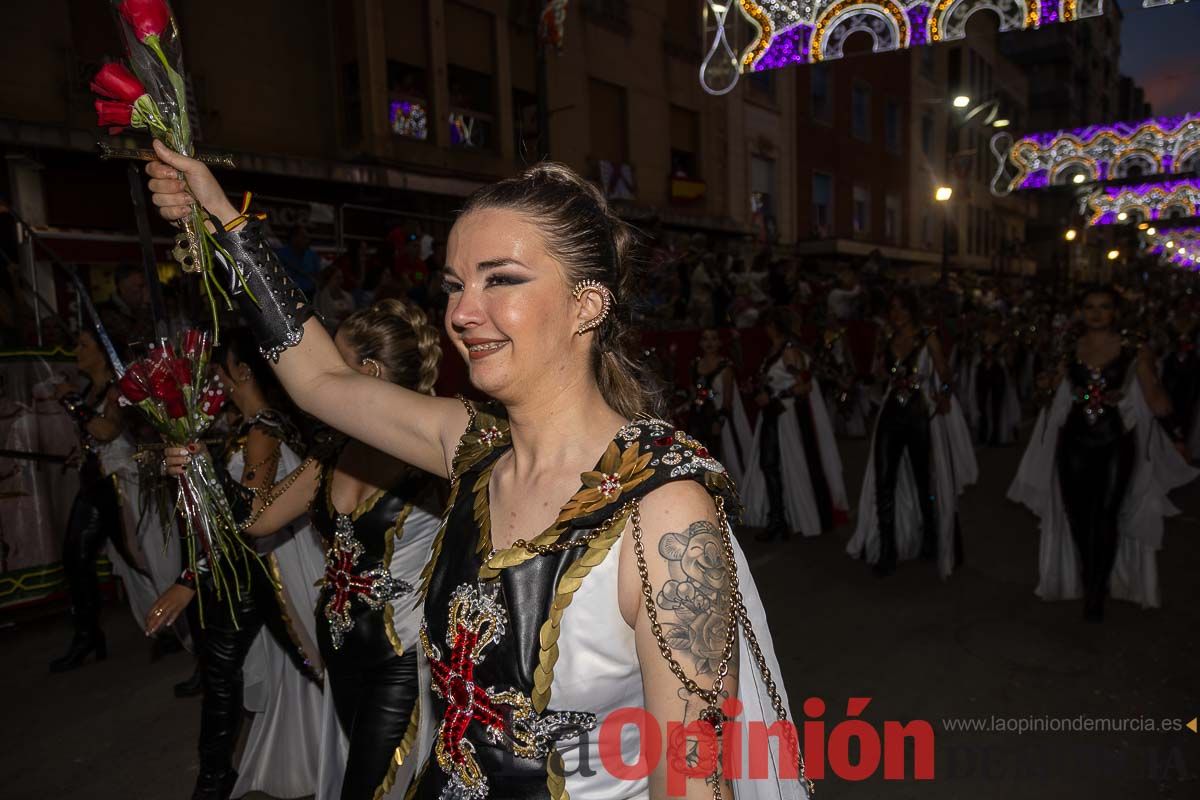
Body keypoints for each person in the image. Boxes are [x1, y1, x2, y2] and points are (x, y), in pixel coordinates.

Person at [146, 144, 811, 800]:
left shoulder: (663, 509)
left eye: (502, 279)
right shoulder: (471, 446)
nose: (462, 313)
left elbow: (693, 781)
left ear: (588, 306)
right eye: (456, 285)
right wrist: (220, 221)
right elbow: (319, 380)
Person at [211, 300, 445, 800]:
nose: (315, 380)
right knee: (355, 774)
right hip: (338, 652)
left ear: (369, 373)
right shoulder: (332, 451)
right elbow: (257, 520)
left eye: (331, 365)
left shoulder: (434, 455)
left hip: (400, 656)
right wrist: (198, 470)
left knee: (372, 787)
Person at [147, 331, 325, 800]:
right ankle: (214, 777)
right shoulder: (251, 426)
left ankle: (213, 780)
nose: (215, 378)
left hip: (263, 569)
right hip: (250, 565)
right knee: (235, 669)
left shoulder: (262, 433)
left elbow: (250, 519)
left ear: (242, 371)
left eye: (220, 367)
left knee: (237, 670)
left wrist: (190, 579)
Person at [1008, 286, 1198, 620]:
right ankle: (1090, 574)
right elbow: (1050, 390)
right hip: (1074, 442)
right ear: (1080, 311)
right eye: (1090, 307)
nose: (1096, 313)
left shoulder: (1134, 349)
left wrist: (1178, 438)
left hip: (1115, 442)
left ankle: (1096, 589)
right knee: (1079, 516)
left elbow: (1154, 395)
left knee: (1107, 514)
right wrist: (1043, 385)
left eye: (1104, 307)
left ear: (1115, 312)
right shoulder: (1068, 348)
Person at [48, 329, 164, 671]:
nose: (76, 350)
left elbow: (107, 431)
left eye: (83, 345)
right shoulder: (92, 390)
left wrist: (72, 401)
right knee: (77, 556)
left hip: (118, 484)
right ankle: (87, 635)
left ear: (102, 350)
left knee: (139, 557)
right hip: (95, 483)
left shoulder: (117, 388)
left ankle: (173, 621)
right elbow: (95, 438)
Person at [846, 290, 978, 578]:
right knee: (884, 482)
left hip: (920, 416)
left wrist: (943, 394)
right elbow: (880, 379)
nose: (896, 314)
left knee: (924, 482)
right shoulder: (888, 339)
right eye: (892, 308)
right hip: (891, 414)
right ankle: (887, 550)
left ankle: (930, 539)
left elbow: (945, 374)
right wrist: (876, 371)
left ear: (912, 310)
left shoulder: (928, 337)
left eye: (901, 308)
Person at [741, 307, 848, 540]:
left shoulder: (789, 352)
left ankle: (780, 522)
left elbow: (805, 385)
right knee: (770, 466)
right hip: (774, 414)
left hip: (785, 416)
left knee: (780, 465)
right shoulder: (776, 350)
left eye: (768, 325)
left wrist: (776, 396)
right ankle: (777, 519)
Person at [682, 328, 752, 486]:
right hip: (697, 418)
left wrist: (719, 422)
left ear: (719, 342)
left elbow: (728, 399)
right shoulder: (694, 364)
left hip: (716, 420)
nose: (709, 343)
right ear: (700, 343)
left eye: (713, 339)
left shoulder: (725, 367)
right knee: (697, 457)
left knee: (717, 458)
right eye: (706, 339)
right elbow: (693, 393)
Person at [97, 262, 153, 345]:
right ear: (123, 287)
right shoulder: (108, 312)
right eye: (140, 286)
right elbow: (133, 342)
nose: (144, 291)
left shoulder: (137, 309)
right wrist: (145, 306)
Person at [276, 225, 322, 297]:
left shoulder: (312, 255)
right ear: (293, 238)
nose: (307, 240)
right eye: (303, 237)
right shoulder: (280, 254)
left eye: (307, 238)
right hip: (287, 295)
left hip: (310, 295)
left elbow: (318, 276)